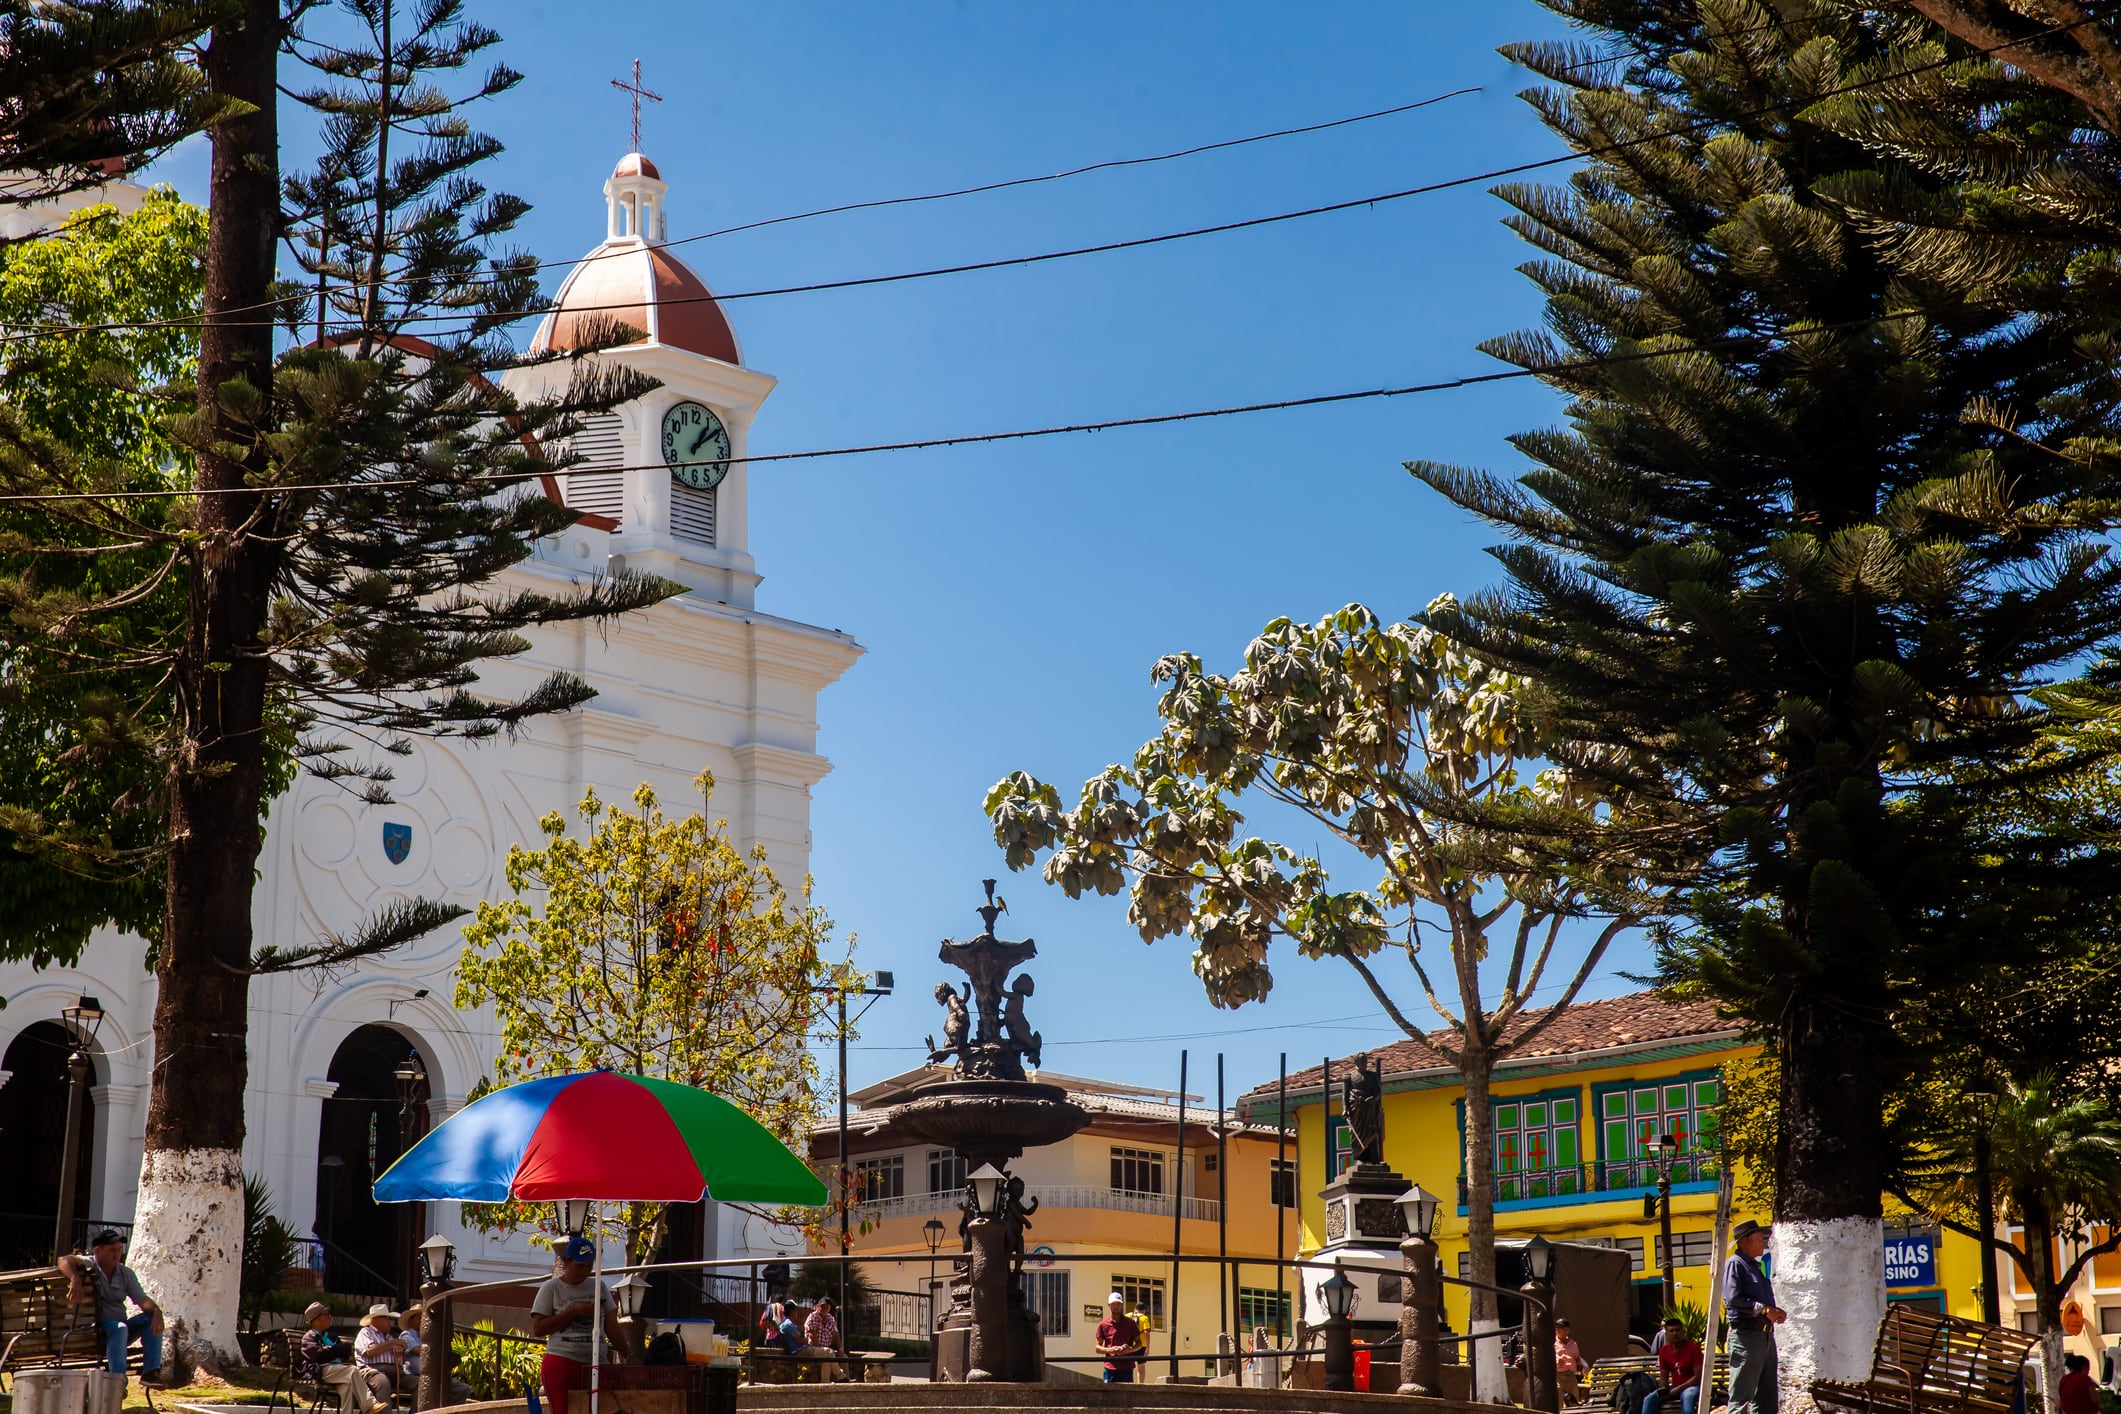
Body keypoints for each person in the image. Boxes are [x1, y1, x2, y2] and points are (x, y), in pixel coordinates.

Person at [58, 1228, 164, 1385]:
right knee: (119, 1328)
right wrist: (75, 1277)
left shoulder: (125, 1273)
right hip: (96, 1329)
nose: (117, 1254)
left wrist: (156, 1311)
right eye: (112, 1250)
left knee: (150, 1319)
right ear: (98, 1251)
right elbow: (64, 1260)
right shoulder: (90, 1265)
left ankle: (150, 1373)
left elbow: (141, 1300)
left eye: (119, 1249)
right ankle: (117, 1380)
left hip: (120, 1329)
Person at [531, 1237, 619, 1414]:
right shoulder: (551, 1288)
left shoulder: (599, 1287)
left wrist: (629, 1355)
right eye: (580, 1266)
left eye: (589, 1266)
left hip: (597, 1362)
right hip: (563, 1360)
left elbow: (612, 1327)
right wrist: (573, 1312)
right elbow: (538, 1328)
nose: (585, 1271)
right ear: (568, 1261)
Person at [1723, 1220, 1787, 1414]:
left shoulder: (1754, 1267)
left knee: (1767, 1398)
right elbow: (1734, 1299)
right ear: (1748, 1241)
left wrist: (1774, 1311)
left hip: (1765, 1336)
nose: (1763, 1244)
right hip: (1746, 1337)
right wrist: (1765, 1310)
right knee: (1742, 1398)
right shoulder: (1735, 1264)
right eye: (1760, 1239)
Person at [299, 1301, 392, 1414]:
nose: (330, 1317)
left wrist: (331, 1349)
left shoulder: (331, 1337)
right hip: (323, 1370)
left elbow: (345, 1352)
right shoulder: (309, 1338)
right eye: (327, 1315)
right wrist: (334, 1350)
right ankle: (370, 1404)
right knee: (353, 1371)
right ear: (317, 1319)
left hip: (339, 1370)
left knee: (347, 1386)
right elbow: (318, 1355)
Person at [1647, 1317, 1704, 1414]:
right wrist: (1664, 1389)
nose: (1675, 1333)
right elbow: (1664, 1376)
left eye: (1677, 1330)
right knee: (1649, 1399)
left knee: (1687, 1396)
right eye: (1671, 1331)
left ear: (1683, 1332)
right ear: (1666, 1334)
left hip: (1693, 1387)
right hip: (1674, 1387)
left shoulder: (1693, 1348)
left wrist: (1678, 1389)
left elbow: (1698, 1377)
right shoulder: (1664, 1351)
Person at [354, 1305, 407, 1398]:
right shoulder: (365, 1332)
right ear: (375, 1319)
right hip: (371, 1370)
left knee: (418, 1383)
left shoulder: (388, 1337)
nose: (389, 1322)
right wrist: (392, 1343)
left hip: (395, 1372)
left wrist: (402, 1351)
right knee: (383, 1382)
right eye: (386, 1318)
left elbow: (403, 1359)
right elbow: (369, 1352)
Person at [1095, 1291, 1144, 1384]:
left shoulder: (1130, 1323)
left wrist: (1129, 1349)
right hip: (1110, 1367)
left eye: (1118, 1303)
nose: (1116, 1306)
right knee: (1108, 1396)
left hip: (1127, 1367)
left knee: (1127, 1397)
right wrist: (1111, 1350)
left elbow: (1139, 1343)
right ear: (1109, 1305)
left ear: (1122, 1305)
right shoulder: (1103, 1325)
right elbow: (1097, 1348)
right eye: (1113, 1304)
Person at [1554, 1316, 1586, 1403]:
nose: (1557, 1329)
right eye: (1556, 1327)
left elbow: (1577, 1358)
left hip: (1571, 1376)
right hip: (1558, 1376)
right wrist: (1557, 1360)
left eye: (1560, 1328)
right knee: (1559, 1401)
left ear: (1567, 1330)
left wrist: (1583, 1367)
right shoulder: (1553, 1343)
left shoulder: (1573, 1344)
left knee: (1574, 1401)